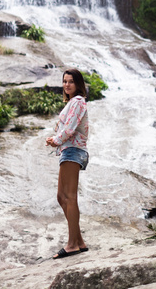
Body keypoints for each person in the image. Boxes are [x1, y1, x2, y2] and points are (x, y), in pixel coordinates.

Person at [46, 68, 89, 259]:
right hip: (67, 151)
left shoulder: (78, 102)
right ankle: (78, 241)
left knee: (69, 197)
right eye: (64, 81)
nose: (66, 85)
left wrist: (55, 140)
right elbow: (66, 128)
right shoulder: (72, 102)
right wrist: (55, 140)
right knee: (61, 197)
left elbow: (70, 129)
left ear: (78, 84)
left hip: (73, 151)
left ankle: (72, 245)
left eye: (70, 81)